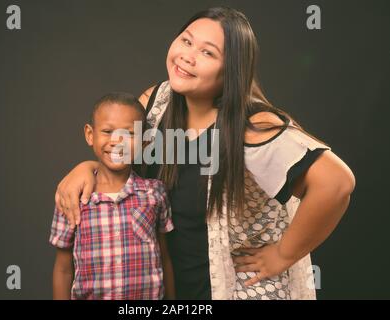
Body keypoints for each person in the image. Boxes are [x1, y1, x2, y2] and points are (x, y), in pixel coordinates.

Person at [54, 7, 355, 300]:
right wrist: (89, 167)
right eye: (186, 40)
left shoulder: (251, 126)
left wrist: (283, 254)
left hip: (235, 289)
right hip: (172, 288)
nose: (187, 55)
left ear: (232, 70)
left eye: (208, 52)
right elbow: (118, 150)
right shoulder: (157, 102)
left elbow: (336, 184)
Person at [50, 92, 175, 300]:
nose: (118, 141)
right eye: (107, 131)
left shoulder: (155, 193)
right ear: (90, 135)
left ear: (145, 141)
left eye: (129, 133)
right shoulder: (72, 197)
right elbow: (63, 270)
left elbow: (165, 258)